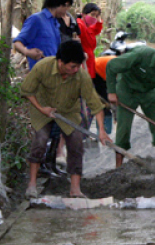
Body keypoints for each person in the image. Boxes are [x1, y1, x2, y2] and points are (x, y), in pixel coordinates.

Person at [21, 40, 112, 199]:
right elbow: (27, 90)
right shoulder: (43, 67)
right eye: (72, 67)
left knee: (76, 143)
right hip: (42, 109)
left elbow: (96, 105)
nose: (76, 70)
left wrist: (102, 131)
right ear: (60, 62)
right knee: (40, 141)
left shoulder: (81, 76)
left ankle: (75, 189)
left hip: (69, 112)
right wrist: (42, 109)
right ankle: (32, 184)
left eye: (78, 66)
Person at [13, 0, 73, 69]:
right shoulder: (36, 19)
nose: (66, 12)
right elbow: (17, 43)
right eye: (67, 7)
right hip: (40, 74)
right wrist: (27, 52)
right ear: (63, 4)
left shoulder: (56, 23)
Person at [77, 3, 103, 80]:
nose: (94, 17)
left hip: (90, 61)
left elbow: (97, 29)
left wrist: (98, 18)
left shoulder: (88, 27)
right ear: (84, 14)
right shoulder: (80, 25)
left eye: (96, 15)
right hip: (82, 62)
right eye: (92, 14)